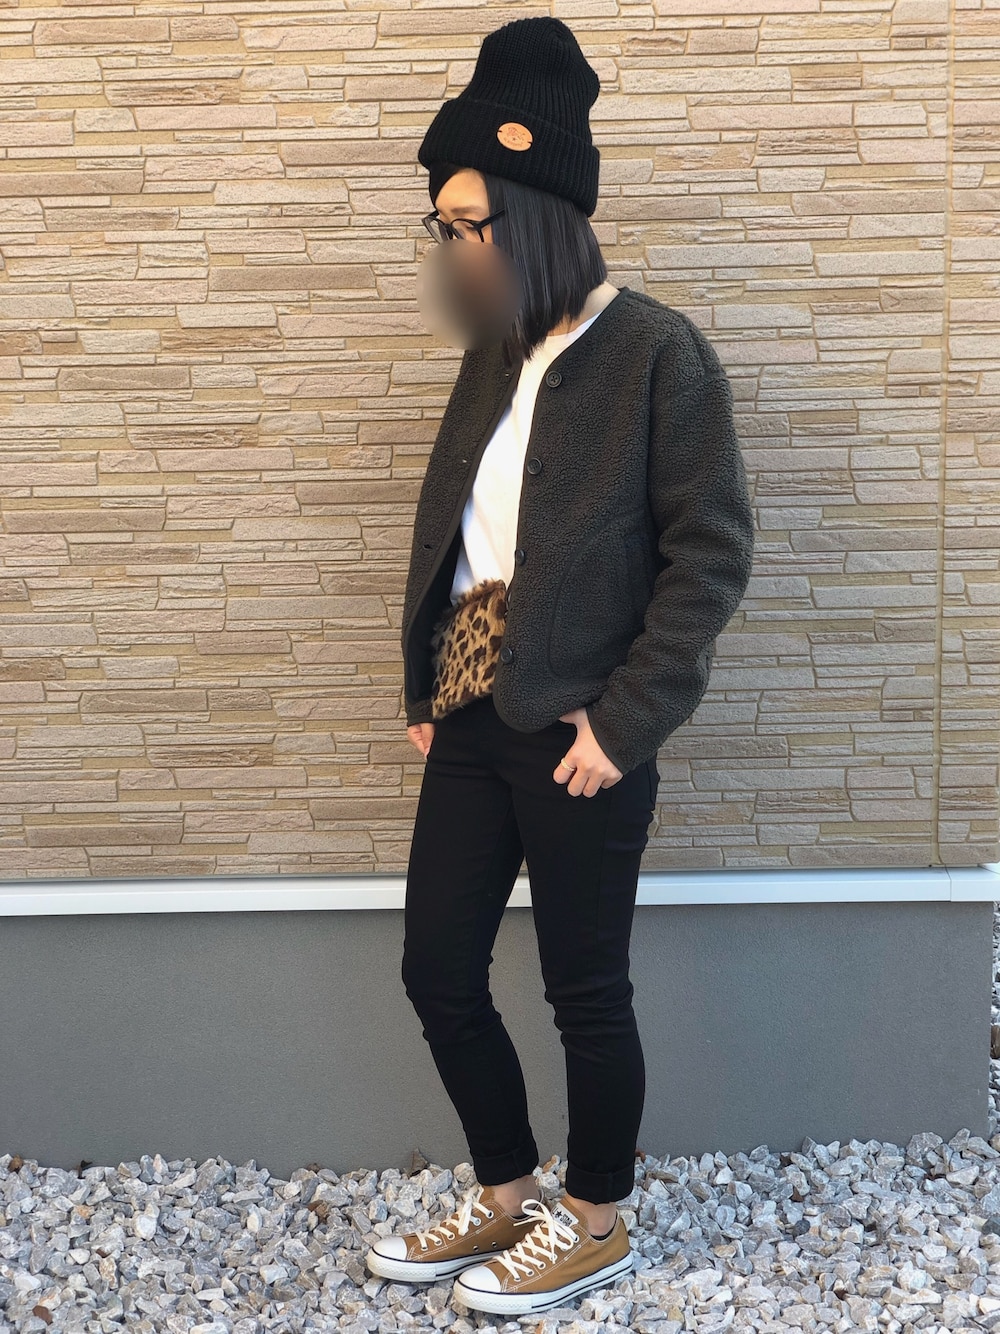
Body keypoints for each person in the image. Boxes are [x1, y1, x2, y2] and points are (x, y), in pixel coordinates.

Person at [365, 15, 755, 1317]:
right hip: (476, 716)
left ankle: (594, 1218)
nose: (449, 248)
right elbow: (458, 529)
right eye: (440, 224)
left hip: (585, 731)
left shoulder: (657, 356)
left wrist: (626, 724)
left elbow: (709, 553)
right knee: (437, 966)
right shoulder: (494, 355)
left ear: (534, 213)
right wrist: (429, 684)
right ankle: (506, 1189)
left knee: (585, 988)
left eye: (462, 222)